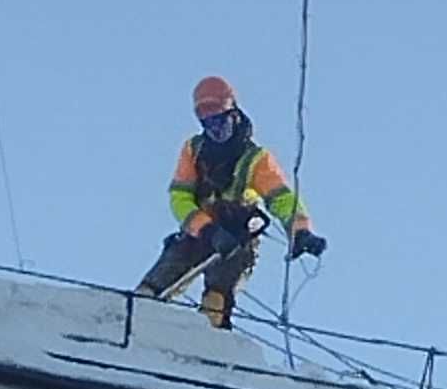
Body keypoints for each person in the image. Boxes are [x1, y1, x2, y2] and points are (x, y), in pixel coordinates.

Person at [136, 76, 325, 328]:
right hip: (201, 232)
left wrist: (300, 231)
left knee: (219, 289)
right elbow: (179, 197)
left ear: (233, 113)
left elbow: (280, 198)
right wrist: (206, 229)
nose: (215, 128)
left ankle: (210, 333)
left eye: (220, 119)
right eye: (208, 123)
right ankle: (133, 317)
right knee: (160, 278)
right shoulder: (194, 150)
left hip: (237, 237)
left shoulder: (254, 158)